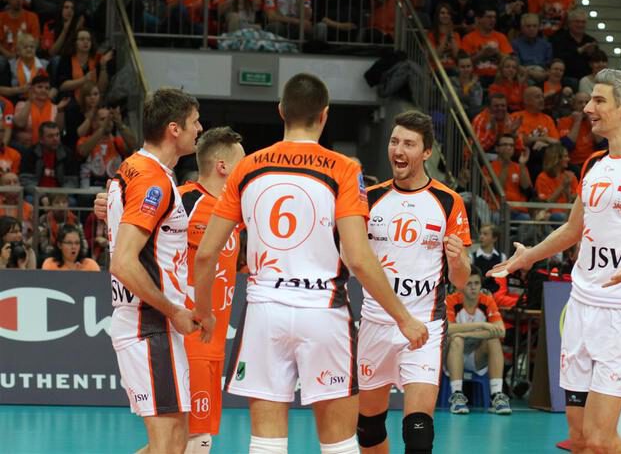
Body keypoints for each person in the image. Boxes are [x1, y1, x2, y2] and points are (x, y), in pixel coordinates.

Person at [192, 73, 428, 454]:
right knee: (339, 443)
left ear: (281, 111)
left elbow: (206, 254)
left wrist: (204, 312)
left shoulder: (247, 168)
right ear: (324, 115)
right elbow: (358, 257)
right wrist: (403, 317)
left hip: (265, 311)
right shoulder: (342, 169)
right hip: (323, 310)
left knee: (266, 441)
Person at [490, 68, 621, 453]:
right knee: (579, 439)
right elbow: (572, 229)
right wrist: (529, 256)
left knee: (600, 439)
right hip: (580, 307)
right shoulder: (594, 163)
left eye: (598, 100)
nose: (588, 108)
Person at [357, 110, 471, 454]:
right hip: (375, 323)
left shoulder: (448, 201)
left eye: (409, 143)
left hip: (424, 327)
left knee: (418, 431)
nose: (399, 150)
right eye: (395, 142)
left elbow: (460, 280)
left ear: (426, 152)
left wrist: (457, 260)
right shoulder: (370, 199)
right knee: (368, 428)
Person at [106, 88, 202, 454]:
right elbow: (123, 262)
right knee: (169, 444)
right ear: (174, 129)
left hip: (149, 323)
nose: (200, 129)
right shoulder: (152, 180)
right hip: (149, 324)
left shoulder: (134, 168)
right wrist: (174, 310)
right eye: (195, 122)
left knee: (174, 441)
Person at [179, 127, 246, 454]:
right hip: (188, 339)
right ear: (223, 166)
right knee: (197, 440)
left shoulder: (235, 210)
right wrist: (108, 206)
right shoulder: (182, 201)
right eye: (242, 163)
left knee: (179, 442)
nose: (247, 170)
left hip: (214, 343)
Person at [445, 268, 509, 415]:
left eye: (477, 283)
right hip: (451, 356)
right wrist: (482, 325)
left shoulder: (486, 300)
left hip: (476, 358)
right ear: (460, 286)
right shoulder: (451, 300)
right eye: (469, 284)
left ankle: (497, 395)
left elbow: (501, 330)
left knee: (494, 340)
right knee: (456, 340)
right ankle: (457, 396)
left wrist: (465, 333)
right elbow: (447, 329)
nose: (473, 287)